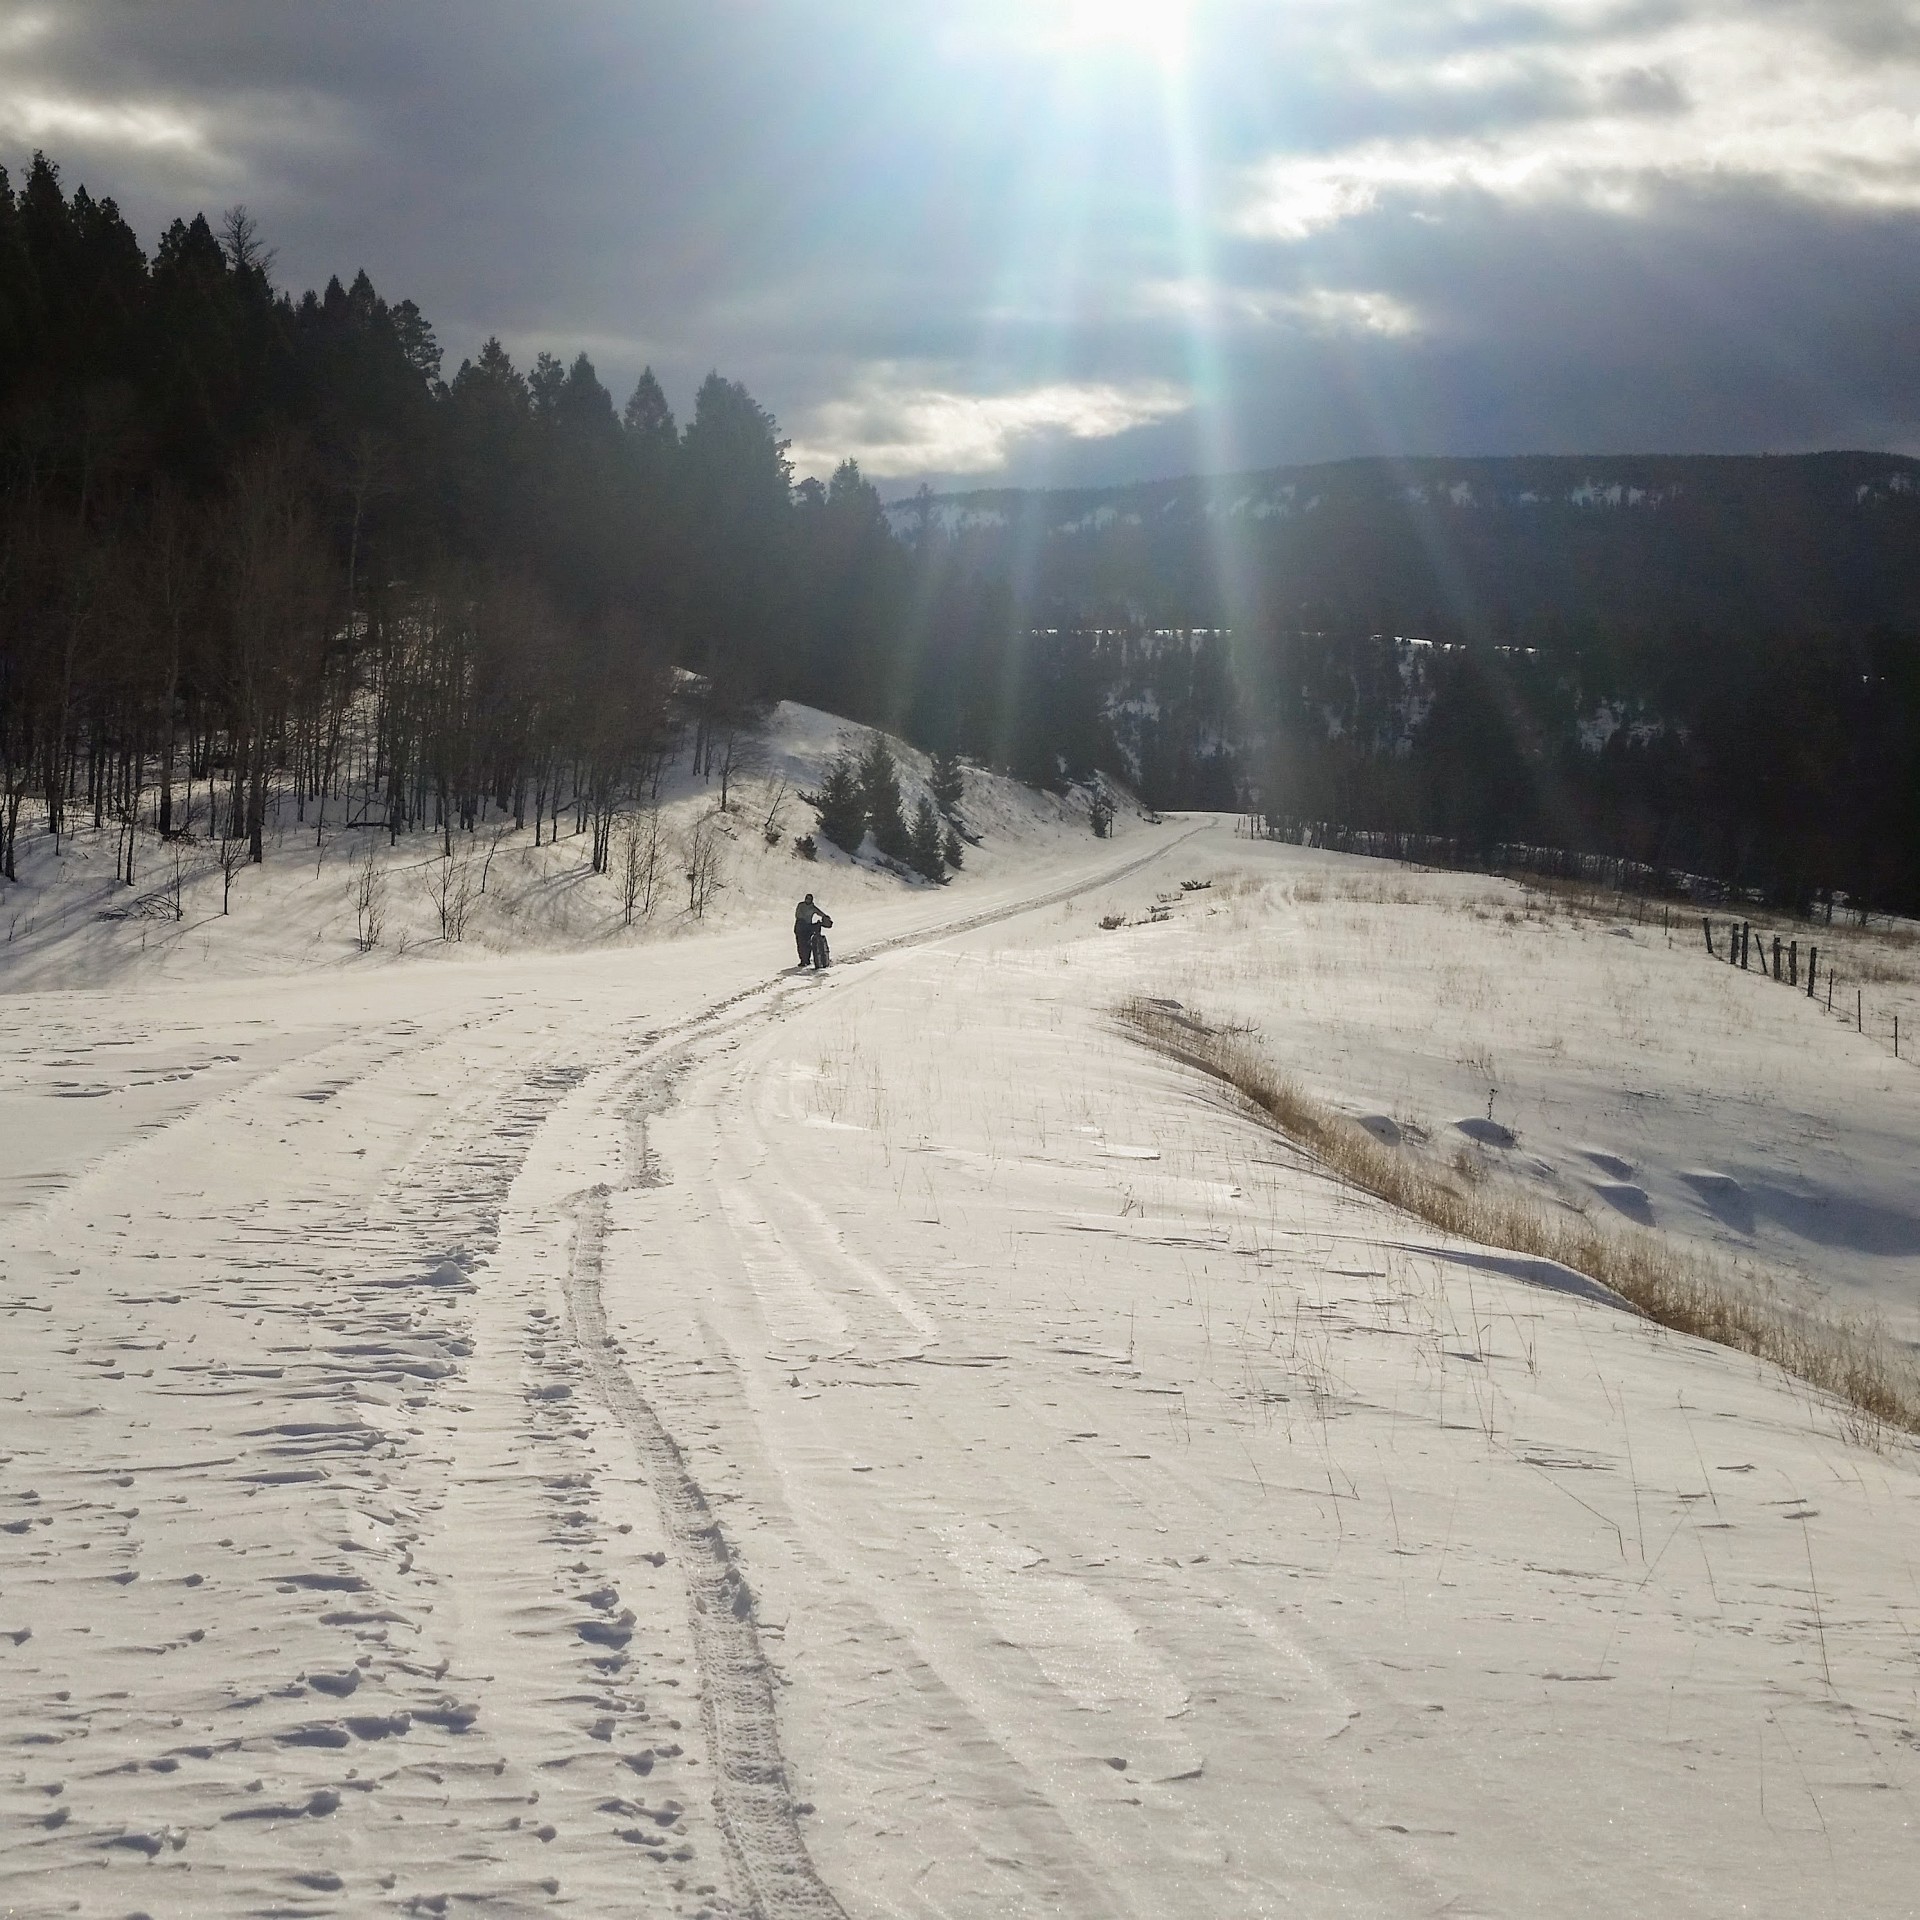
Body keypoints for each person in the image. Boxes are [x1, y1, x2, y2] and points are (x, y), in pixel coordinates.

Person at [794, 893, 831, 969]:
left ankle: (807, 960)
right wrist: (803, 921)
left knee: (807, 944)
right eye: (807, 898)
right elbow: (798, 914)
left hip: (807, 927)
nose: (808, 900)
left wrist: (825, 916)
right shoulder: (801, 905)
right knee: (801, 944)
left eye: (809, 899)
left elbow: (819, 912)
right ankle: (803, 960)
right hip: (800, 926)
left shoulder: (812, 907)